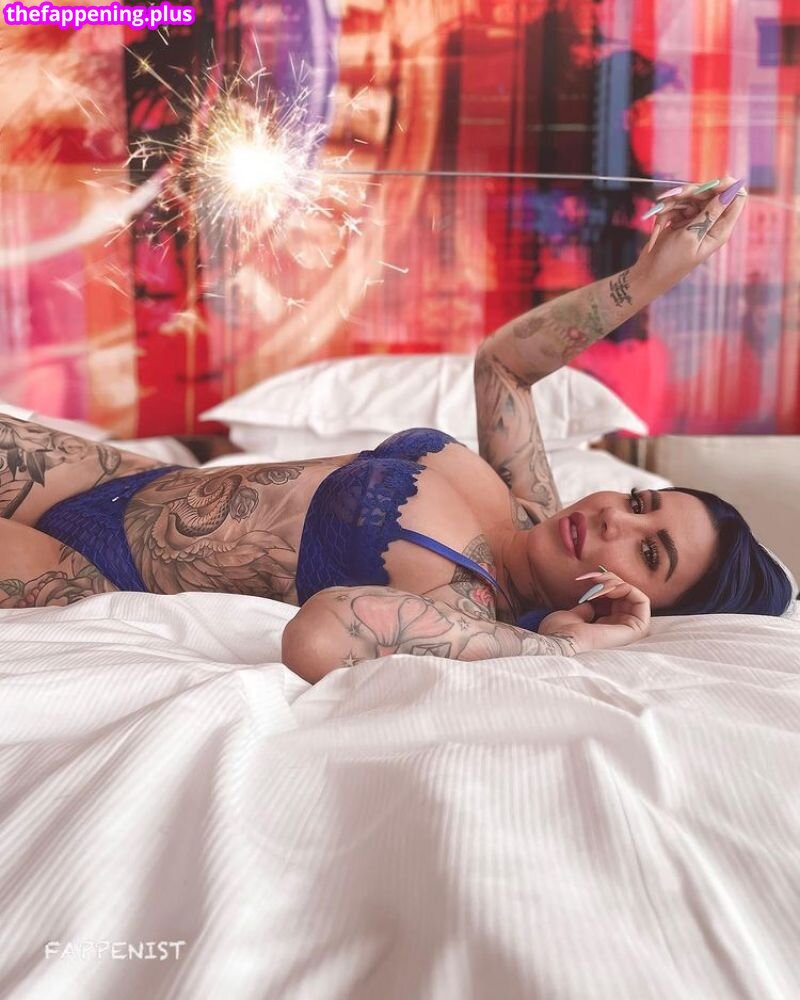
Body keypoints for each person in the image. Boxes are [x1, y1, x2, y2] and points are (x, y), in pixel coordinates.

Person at [0, 176, 792, 682]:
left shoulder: (467, 609)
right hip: (121, 478)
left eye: (649, 552)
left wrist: (564, 645)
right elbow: (504, 369)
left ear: (630, 605)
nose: (619, 517)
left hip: (93, 571)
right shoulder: (526, 501)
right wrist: (649, 277)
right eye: (642, 502)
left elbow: (318, 638)